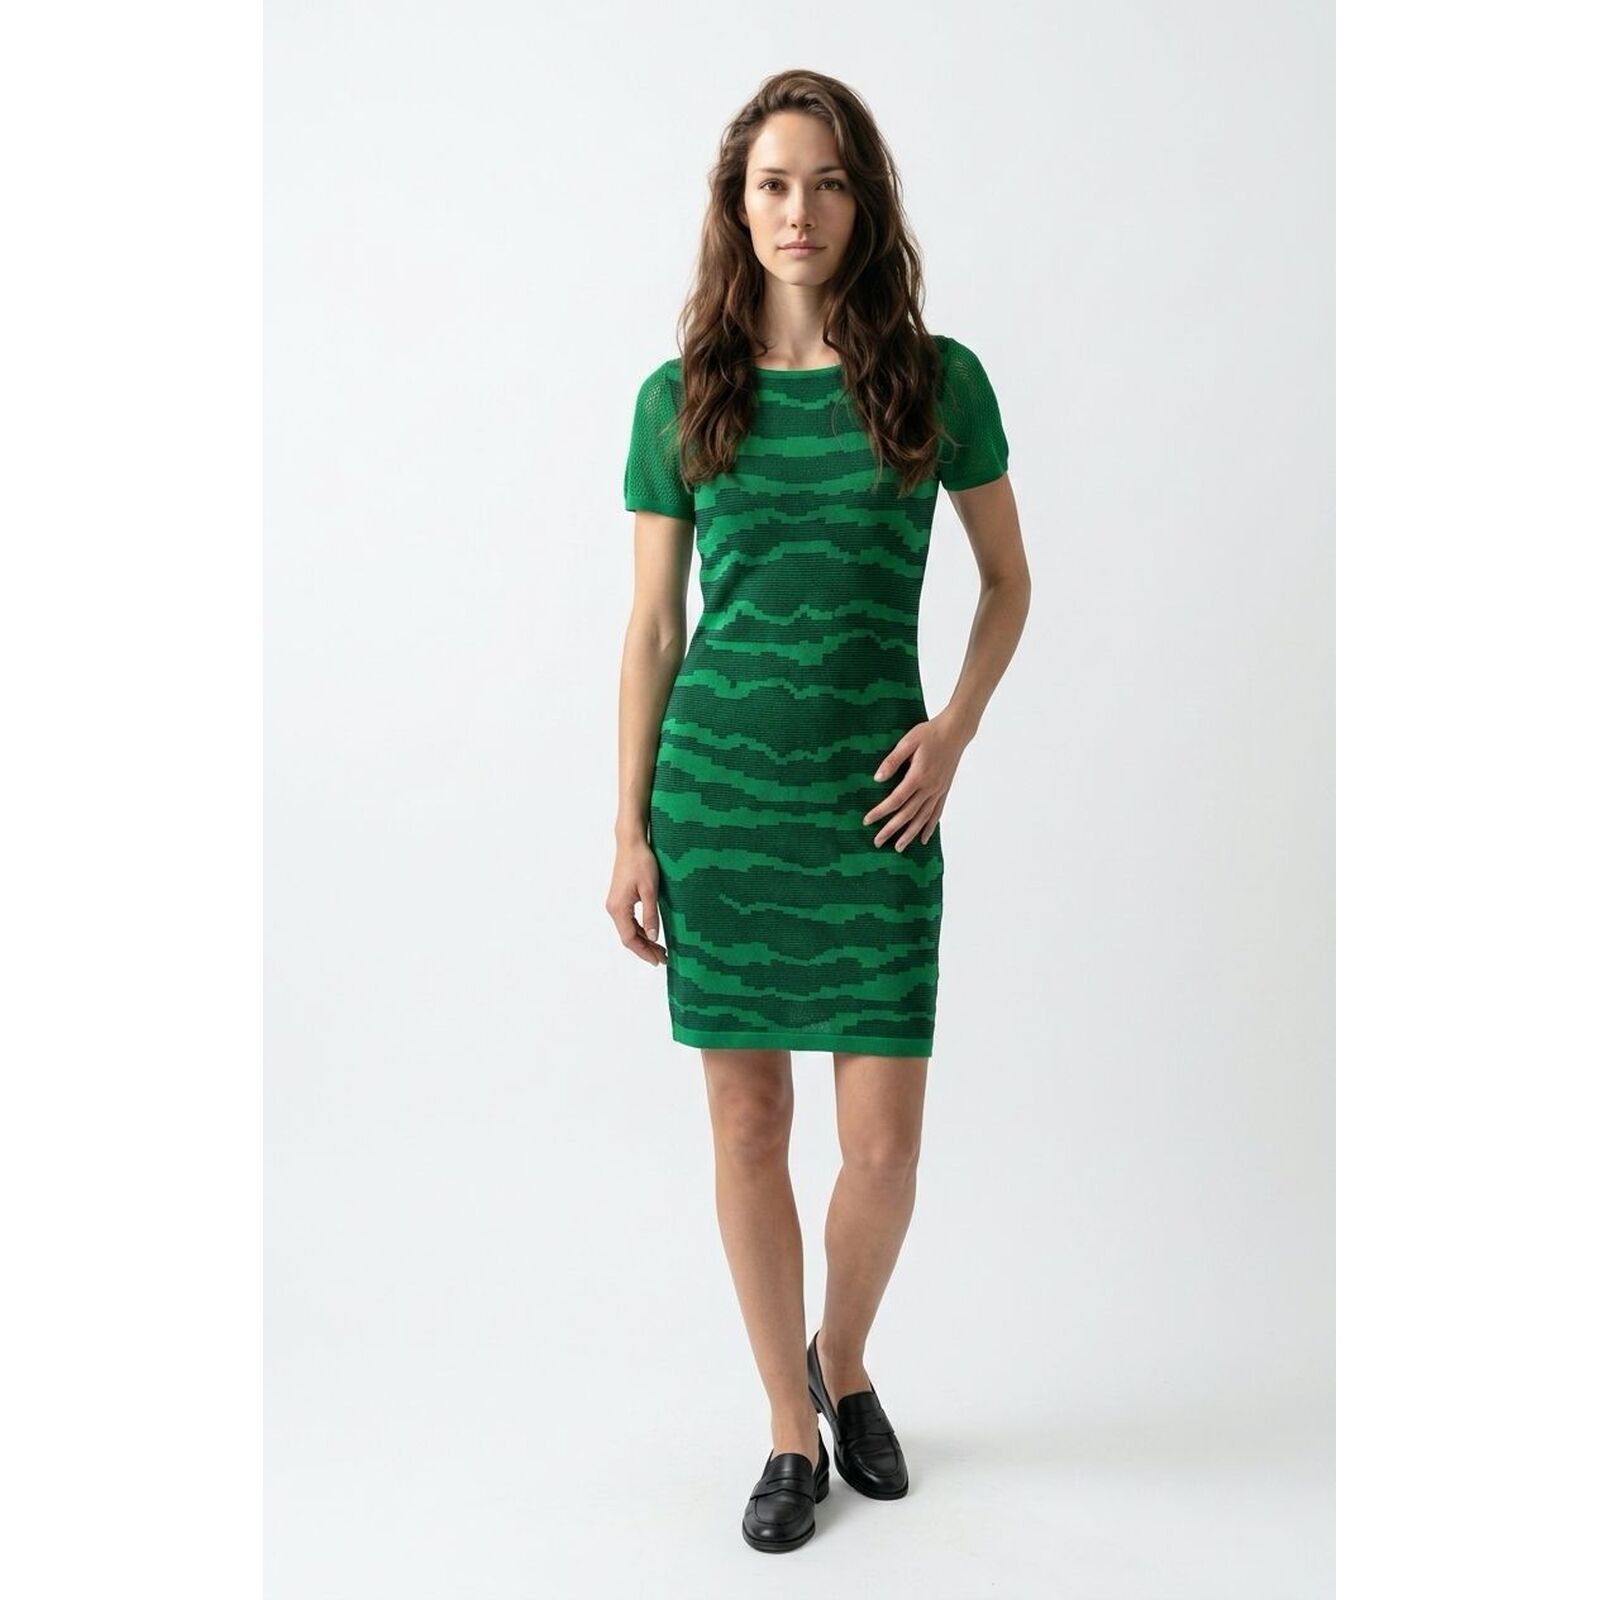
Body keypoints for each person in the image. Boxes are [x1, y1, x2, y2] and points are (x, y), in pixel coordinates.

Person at [607, 68, 1030, 1554]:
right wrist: (629, 830)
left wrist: (953, 732)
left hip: (877, 813)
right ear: (739, 206)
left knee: (883, 1150)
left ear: (866, 203)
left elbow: (1008, 583)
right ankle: (789, 1430)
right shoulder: (682, 397)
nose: (801, 210)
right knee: (748, 1125)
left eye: (829, 182)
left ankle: (838, 1358)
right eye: (775, 183)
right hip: (721, 808)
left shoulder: (936, 382)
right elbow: (654, 630)